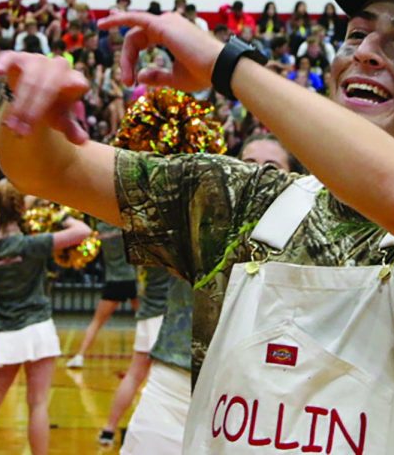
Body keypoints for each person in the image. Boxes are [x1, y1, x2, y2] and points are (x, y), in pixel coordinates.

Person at [0, 0, 394, 454]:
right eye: (356, 34)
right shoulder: (245, 199)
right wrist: (28, 103)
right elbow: (54, 168)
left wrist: (229, 65)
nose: (365, 53)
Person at [120, 134, 298, 454]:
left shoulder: (306, 246)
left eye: (270, 168)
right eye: (248, 163)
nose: (255, 175)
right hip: (172, 390)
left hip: (250, 407)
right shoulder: (193, 217)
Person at [0, 181, 91, 455]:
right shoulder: (34, 244)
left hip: (6, 332)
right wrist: (57, 214)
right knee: (38, 404)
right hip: (38, 330)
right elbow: (83, 231)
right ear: (21, 208)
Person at [98, 266, 171, 447]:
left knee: (133, 375)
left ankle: (108, 430)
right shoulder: (168, 245)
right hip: (163, 316)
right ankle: (151, 432)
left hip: (147, 312)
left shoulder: (142, 243)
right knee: (160, 380)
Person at [66, 222, 139, 368]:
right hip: (131, 280)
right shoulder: (127, 227)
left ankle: (80, 356)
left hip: (113, 281)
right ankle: (149, 359)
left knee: (97, 322)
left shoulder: (99, 230)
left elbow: (88, 252)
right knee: (145, 321)